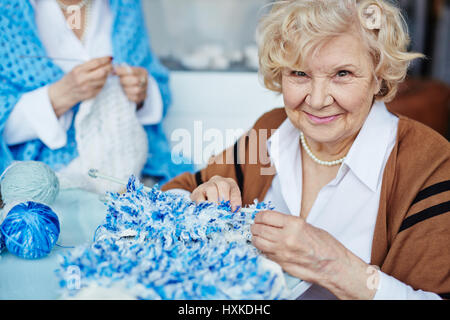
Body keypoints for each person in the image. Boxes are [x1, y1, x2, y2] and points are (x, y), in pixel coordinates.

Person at [162, 0, 450, 299]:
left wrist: (335, 266)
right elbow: (177, 192)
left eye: (342, 74)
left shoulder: (429, 164)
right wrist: (201, 198)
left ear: (379, 75)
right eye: (300, 73)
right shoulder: (271, 129)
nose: (317, 100)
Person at [0, 0, 192, 192]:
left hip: (129, 174)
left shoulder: (126, 5)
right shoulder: (8, 11)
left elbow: (159, 90)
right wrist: (57, 98)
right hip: (39, 185)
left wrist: (142, 91)